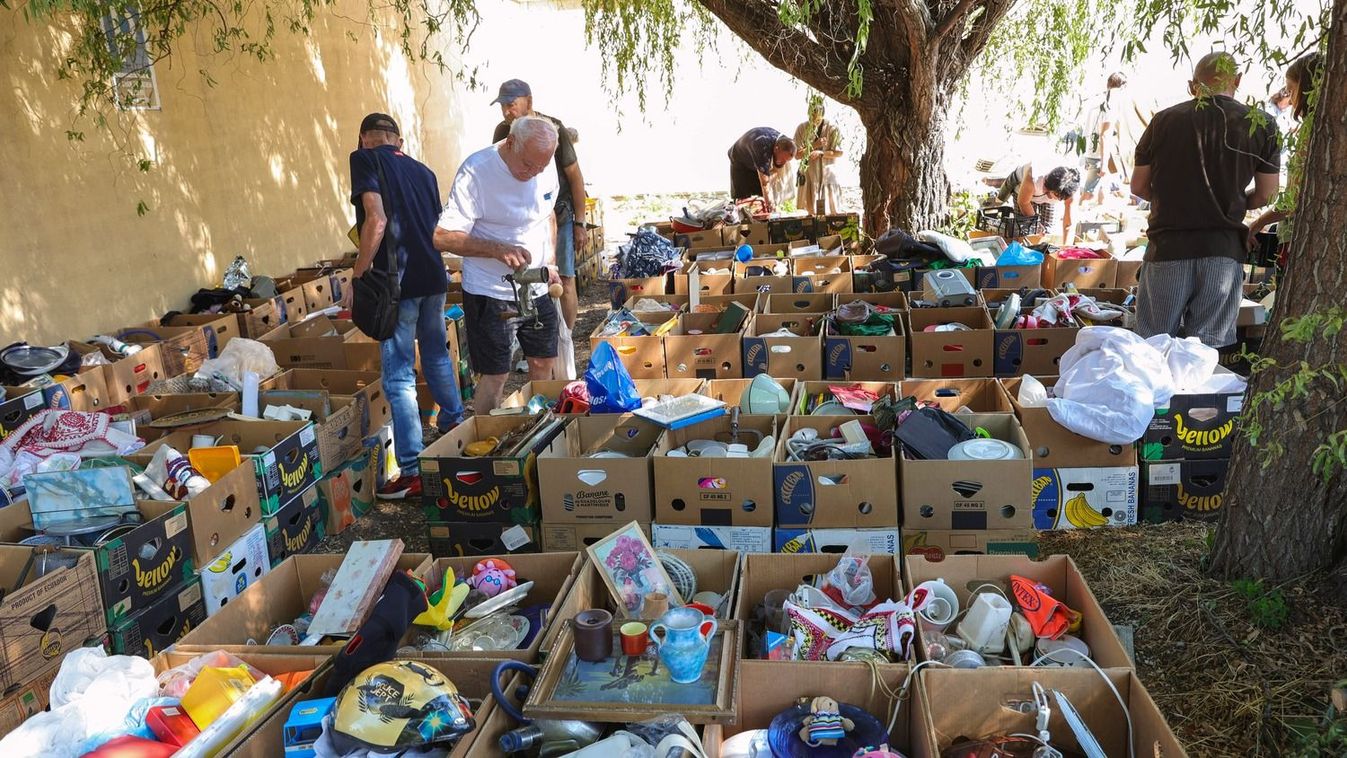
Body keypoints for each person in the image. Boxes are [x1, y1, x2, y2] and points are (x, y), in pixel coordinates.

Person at [347, 113, 465, 500]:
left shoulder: (364, 159)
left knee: (398, 375)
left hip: (395, 283)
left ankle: (412, 470)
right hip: (433, 275)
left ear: (366, 138)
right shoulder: (425, 171)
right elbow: (437, 227)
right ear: (399, 140)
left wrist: (360, 272)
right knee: (435, 355)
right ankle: (455, 428)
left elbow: (376, 220)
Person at [1130, 51, 1281, 348]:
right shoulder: (1262, 125)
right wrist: (1235, 202)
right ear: (1237, 81)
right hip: (1222, 251)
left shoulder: (1163, 121)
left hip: (1168, 248)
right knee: (1204, 353)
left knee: (1151, 348)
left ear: (1192, 86)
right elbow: (1268, 194)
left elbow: (1139, 185)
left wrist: (1169, 198)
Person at [435, 116, 562, 413]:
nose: (533, 173)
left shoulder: (544, 165)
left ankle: (543, 435)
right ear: (510, 142)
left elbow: (549, 216)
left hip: (537, 285)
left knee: (544, 361)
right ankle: (486, 446)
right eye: (527, 165)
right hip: (489, 293)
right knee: (496, 374)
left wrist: (551, 262)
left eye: (540, 167)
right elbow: (441, 238)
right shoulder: (476, 171)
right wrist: (495, 249)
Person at [489, 80, 586, 350]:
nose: (507, 112)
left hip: (560, 213)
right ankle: (535, 342)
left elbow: (575, 177)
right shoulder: (502, 132)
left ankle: (565, 340)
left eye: (511, 104)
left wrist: (580, 223)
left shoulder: (553, 128)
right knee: (527, 280)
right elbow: (498, 174)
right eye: (503, 106)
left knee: (563, 280)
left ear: (528, 102)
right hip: (523, 220)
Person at [1247, 53, 1321, 254]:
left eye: (1291, 90)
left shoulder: (1313, 130)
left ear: (1306, 89)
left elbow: (1292, 200)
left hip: (1300, 240)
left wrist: (1257, 223)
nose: (1289, 99)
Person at [995, 158, 1080, 243]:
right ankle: (1019, 249)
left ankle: (1041, 251)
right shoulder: (1034, 176)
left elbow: (1068, 225)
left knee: (1047, 231)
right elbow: (1023, 202)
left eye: (1057, 197)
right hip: (1024, 192)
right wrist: (1035, 223)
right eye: (1047, 191)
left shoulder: (1071, 191)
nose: (1049, 196)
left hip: (1042, 191)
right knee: (1024, 228)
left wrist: (1066, 247)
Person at [793, 98, 843, 214]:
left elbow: (839, 152)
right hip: (810, 175)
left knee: (832, 212)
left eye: (817, 113)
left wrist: (821, 154)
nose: (814, 117)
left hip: (828, 177)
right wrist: (815, 145)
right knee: (812, 213)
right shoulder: (802, 128)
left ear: (822, 113)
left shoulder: (832, 128)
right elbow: (797, 155)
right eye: (812, 113)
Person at [728, 127, 796, 207]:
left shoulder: (785, 142)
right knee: (743, 199)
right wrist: (770, 204)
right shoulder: (763, 149)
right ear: (776, 149)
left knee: (760, 198)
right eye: (783, 159)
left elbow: (773, 173)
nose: (784, 163)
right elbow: (765, 183)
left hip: (754, 159)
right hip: (739, 159)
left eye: (787, 160)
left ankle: (762, 214)